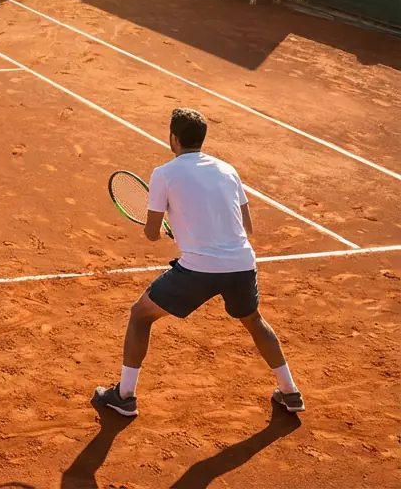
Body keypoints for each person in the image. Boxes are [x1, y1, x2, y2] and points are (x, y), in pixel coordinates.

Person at [93, 108, 305, 418]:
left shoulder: (164, 173)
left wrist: (168, 228)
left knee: (140, 315)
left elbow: (152, 233)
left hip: (199, 270)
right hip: (242, 265)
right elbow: (248, 228)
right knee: (254, 321)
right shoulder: (228, 170)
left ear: (173, 138)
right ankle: (290, 392)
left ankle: (124, 396)